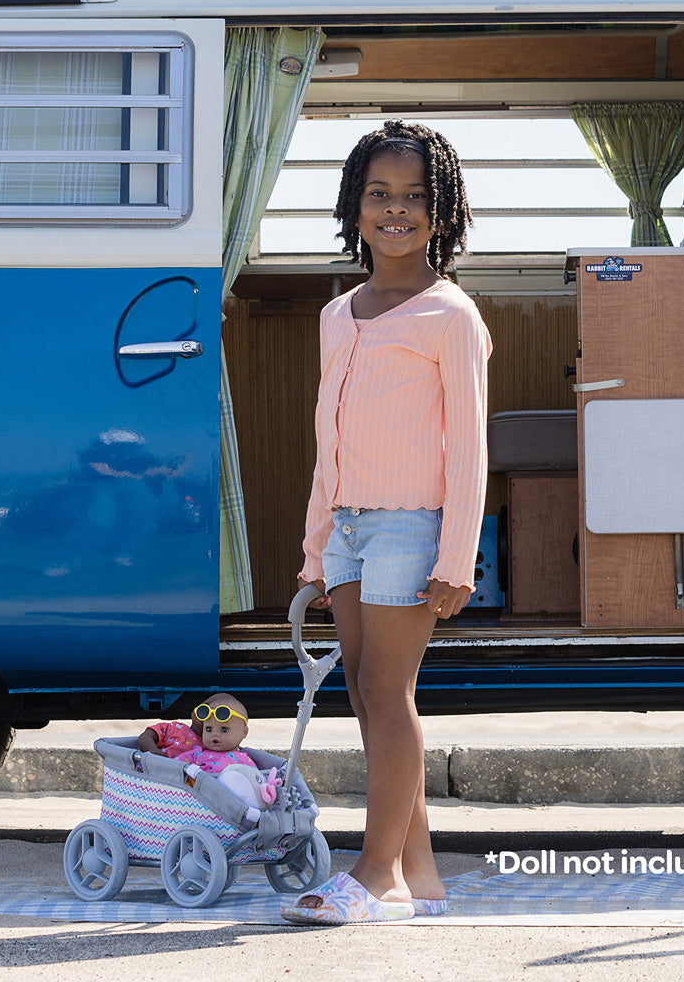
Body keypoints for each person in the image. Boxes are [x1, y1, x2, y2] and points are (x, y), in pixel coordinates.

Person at [282, 120, 491, 925]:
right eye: (378, 194)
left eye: (413, 195)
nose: (394, 209)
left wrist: (456, 557)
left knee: (385, 689)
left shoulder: (450, 315)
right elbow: (325, 436)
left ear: (441, 211)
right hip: (346, 530)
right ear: (355, 207)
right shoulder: (338, 314)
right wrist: (316, 547)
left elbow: (468, 448)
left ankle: (374, 876)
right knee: (366, 697)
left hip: (410, 528)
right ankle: (419, 873)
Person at [173, 694, 257, 772]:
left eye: (224, 730)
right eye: (209, 729)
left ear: (244, 732)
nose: (215, 734)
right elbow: (171, 767)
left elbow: (257, 778)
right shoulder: (196, 754)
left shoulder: (244, 760)